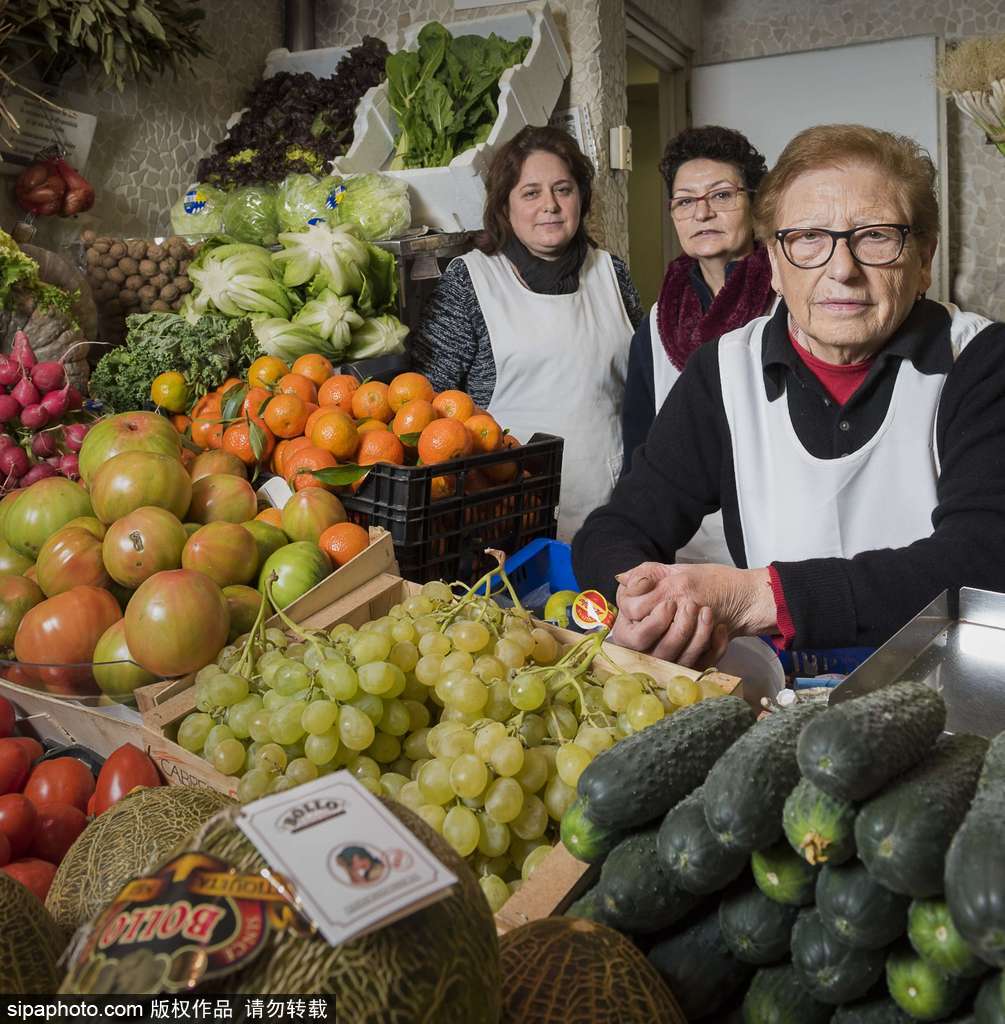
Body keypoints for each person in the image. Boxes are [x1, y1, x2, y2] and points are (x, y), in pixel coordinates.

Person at [573, 123, 1005, 668]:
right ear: (774, 264)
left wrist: (759, 597)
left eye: (875, 235)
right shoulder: (723, 371)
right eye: (808, 239)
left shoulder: (982, 360)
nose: (841, 270)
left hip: (949, 687)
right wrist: (641, 599)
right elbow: (616, 528)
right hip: (786, 692)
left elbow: (986, 556)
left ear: (923, 261)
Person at [411, 125, 645, 540]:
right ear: (505, 207)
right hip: (505, 514)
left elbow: (644, 387)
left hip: (612, 508)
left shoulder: (613, 273)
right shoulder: (471, 280)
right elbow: (428, 404)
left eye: (563, 189)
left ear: (581, 198)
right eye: (531, 193)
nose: (550, 206)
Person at [623, 125, 775, 564]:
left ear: (755, 203)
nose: (702, 213)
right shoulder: (656, 322)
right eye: (686, 201)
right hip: (687, 545)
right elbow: (640, 446)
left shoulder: (793, 303)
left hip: (777, 540)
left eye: (722, 196)